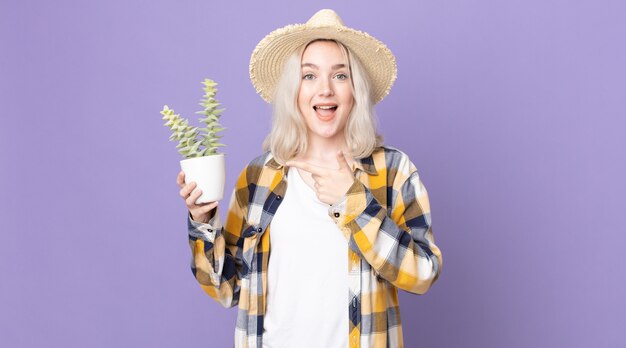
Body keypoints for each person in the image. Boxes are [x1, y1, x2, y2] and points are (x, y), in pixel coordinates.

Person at [176, 9, 442, 348]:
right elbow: (227, 289)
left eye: (340, 75)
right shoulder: (259, 178)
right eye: (309, 75)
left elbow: (423, 273)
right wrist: (202, 222)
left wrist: (353, 203)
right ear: (294, 90)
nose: (326, 90)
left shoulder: (392, 171)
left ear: (356, 89)